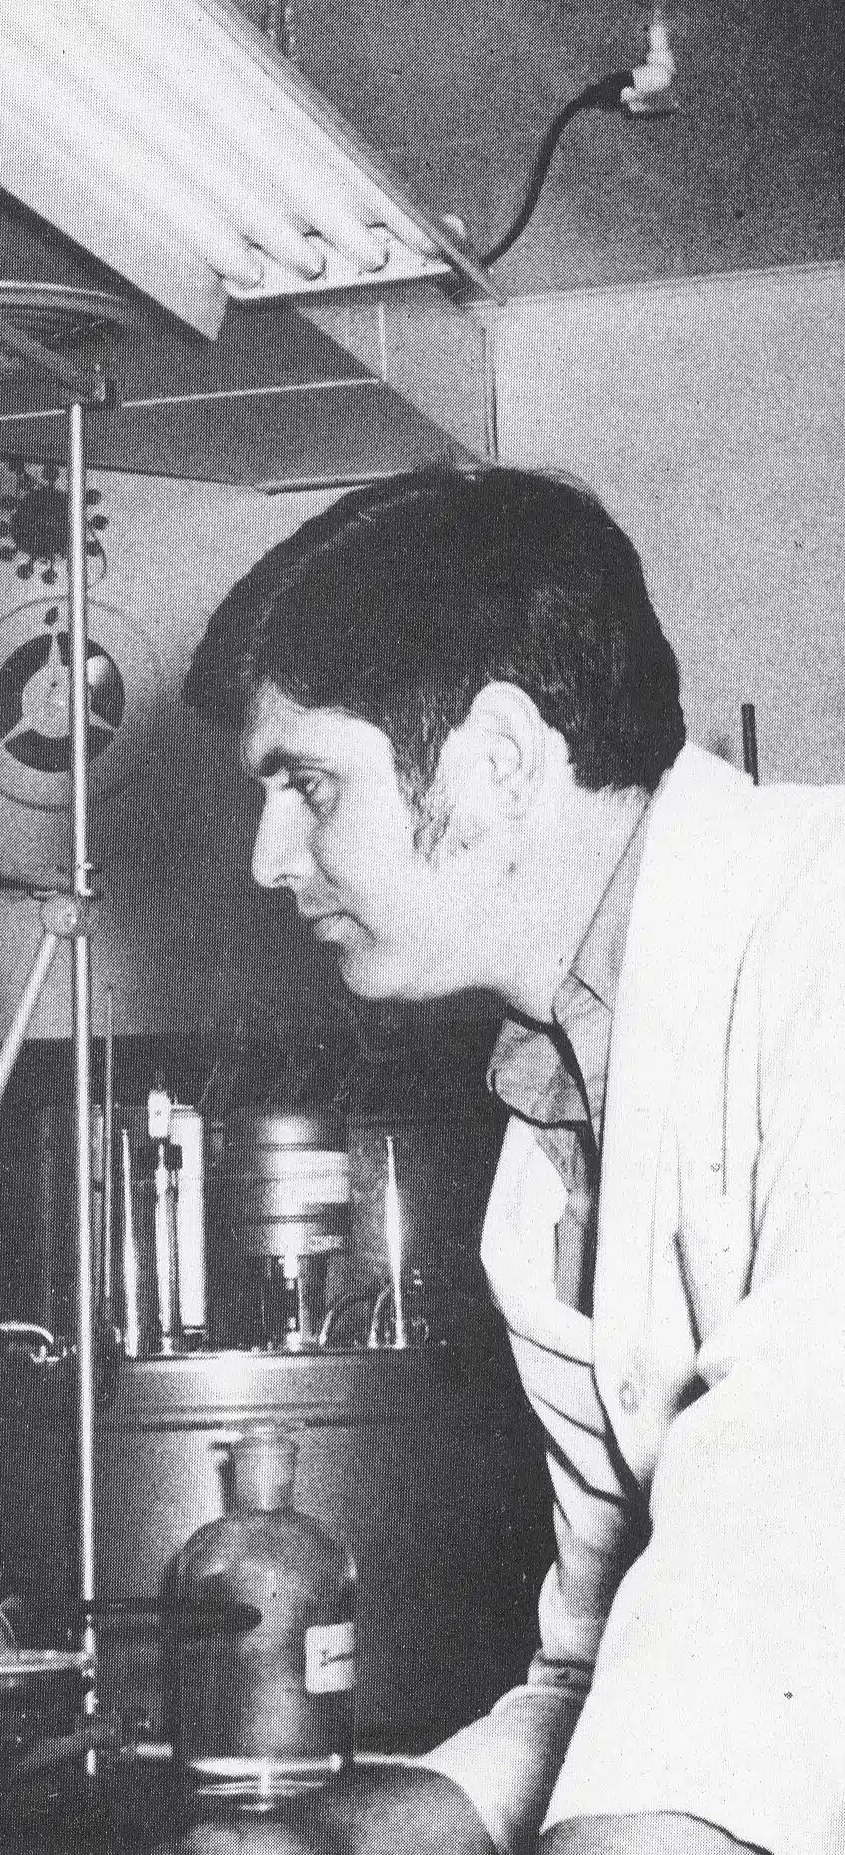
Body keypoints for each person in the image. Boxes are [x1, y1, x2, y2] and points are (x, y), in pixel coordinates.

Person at [181, 466, 845, 1855]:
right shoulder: (556, 1093)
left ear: (496, 759)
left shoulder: (819, 946)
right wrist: (356, 1829)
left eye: (307, 783)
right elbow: (610, 1665)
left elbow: (784, 1577)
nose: (265, 857)